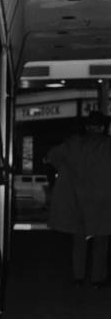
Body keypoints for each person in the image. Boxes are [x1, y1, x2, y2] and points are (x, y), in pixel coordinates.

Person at [47, 110, 111, 287]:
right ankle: (97, 278)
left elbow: (52, 156)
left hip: (79, 198)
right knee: (101, 241)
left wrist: (67, 170)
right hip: (105, 200)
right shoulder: (108, 145)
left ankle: (78, 275)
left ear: (88, 127)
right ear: (103, 127)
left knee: (79, 239)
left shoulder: (74, 144)